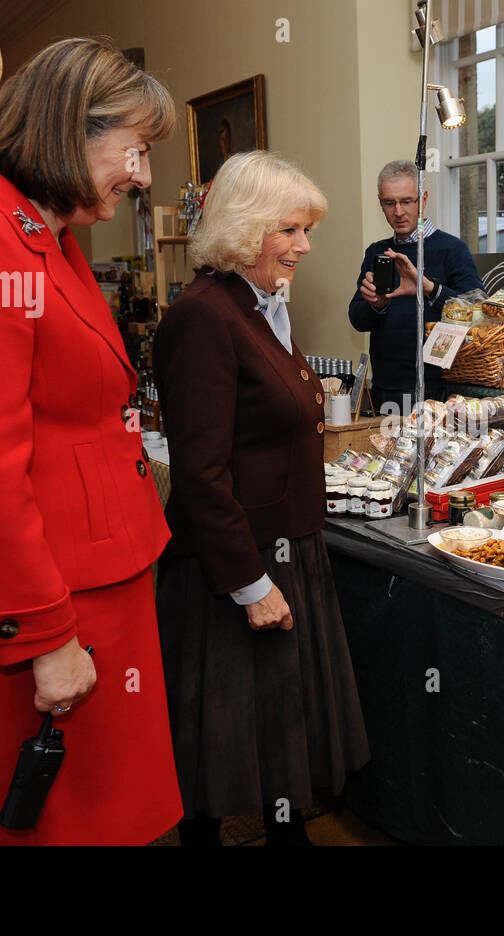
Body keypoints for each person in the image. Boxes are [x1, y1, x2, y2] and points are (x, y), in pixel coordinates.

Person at [0, 38, 182, 844]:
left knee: (112, 820)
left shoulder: (43, 236)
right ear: (67, 128)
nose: (143, 175)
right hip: (34, 602)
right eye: (136, 148)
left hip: (92, 580)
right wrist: (46, 636)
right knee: (55, 827)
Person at [154, 150, 369, 847]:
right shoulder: (203, 317)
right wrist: (250, 583)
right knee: (219, 735)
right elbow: (200, 473)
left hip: (284, 544)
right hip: (230, 563)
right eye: (291, 230)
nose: (306, 246)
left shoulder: (258, 305)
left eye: (306, 230)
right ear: (246, 228)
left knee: (279, 726)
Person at [348, 160, 482, 414]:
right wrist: (376, 306)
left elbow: (478, 311)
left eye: (407, 201)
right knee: (388, 453)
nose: (398, 211)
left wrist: (429, 288)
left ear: (424, 199)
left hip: (439, 387)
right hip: (386, 386)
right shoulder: (377, 252)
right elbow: (357, 319)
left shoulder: (452, 249)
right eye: (390, 203)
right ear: (380, 202)